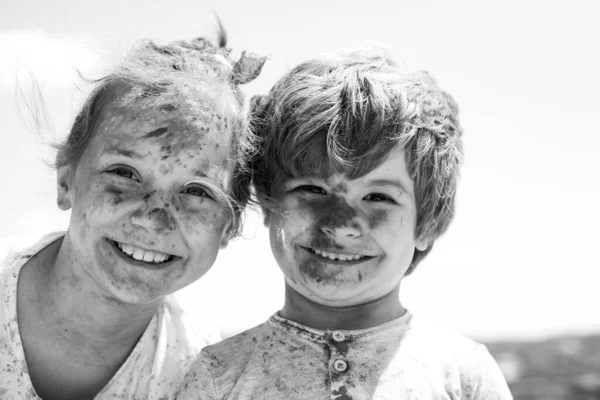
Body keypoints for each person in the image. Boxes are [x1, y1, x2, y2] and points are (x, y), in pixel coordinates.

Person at [177, 44, 512, 399]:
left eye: (378, 197)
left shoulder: (462, 375)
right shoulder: (218, 375)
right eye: (312, 189)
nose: (339, 225)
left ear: (426, 223)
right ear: (269, 200)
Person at [0, 28, 265, 400]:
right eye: (124, 173)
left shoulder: (197, 375)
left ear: (228, 226)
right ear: (66, 182)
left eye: (195, 192)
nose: (152, 218)